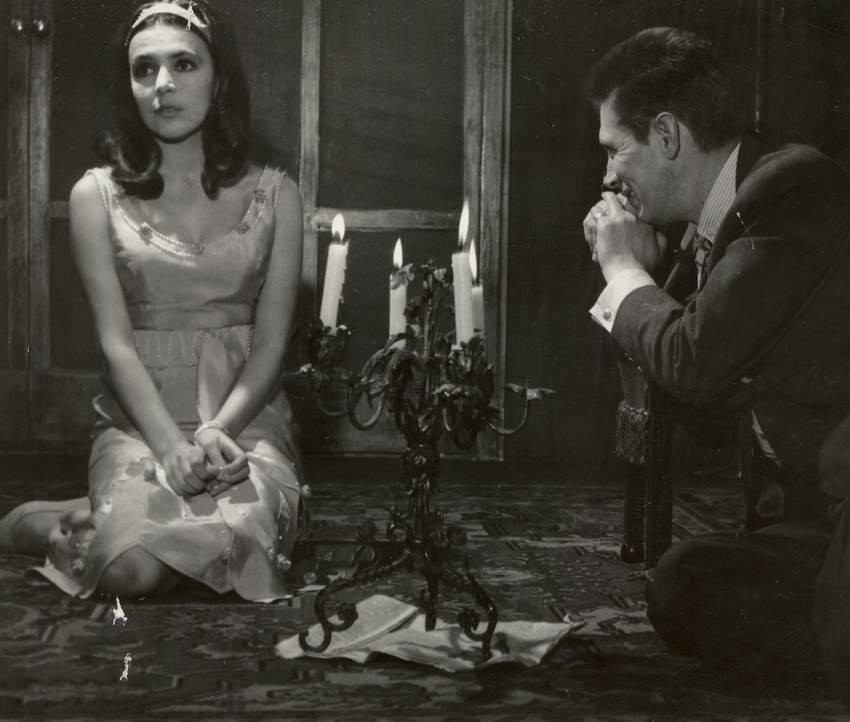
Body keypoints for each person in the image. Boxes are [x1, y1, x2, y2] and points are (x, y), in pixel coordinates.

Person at [0, 0, 306, 602]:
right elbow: (115, 346)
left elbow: (271, 344)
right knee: (130, 573)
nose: (163, 84)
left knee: (240, 546)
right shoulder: (96, 196)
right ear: (130, 87)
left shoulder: (278, 196)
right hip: (142, 424)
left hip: (243, 426)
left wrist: (217, 430)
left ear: (220, 79)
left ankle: (103, 511)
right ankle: (37, 525)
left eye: (184, 64)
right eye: (145, 69)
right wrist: (169, 449)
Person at [581, 27, 850, 687]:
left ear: (667, 135)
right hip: (815, 520)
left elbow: (694, 364)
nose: (608, 176)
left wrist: (620, 270)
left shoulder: (790, 189)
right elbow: (679, 369)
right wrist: (644, 275)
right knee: (682, 585)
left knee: (833, 631)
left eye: (615, 149)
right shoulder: (717, 224)